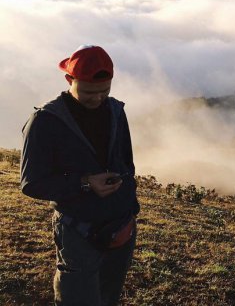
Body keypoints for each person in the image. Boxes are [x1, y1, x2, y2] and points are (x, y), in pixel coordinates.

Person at [20, 45, 140, 305]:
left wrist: (131, 207)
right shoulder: (44, 121)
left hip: (121, 225)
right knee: (77, 297)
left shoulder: (116, 111)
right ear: (69, 80)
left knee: (109, 296)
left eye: (104, 91)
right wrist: (84, 183)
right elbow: (32, 183)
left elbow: (126, 163)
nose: (97, 98)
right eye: (88, 92)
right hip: (78, 231)